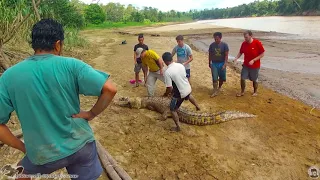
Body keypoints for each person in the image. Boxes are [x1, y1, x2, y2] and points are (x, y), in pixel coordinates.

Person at [0, 19, 117, 180]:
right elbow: (110, 89)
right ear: (57, 44)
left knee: (19, 176)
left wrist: (24, 148)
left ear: (34, 44)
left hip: (41, 155)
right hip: (81, 145)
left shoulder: (9, 77)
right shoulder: (72, 65)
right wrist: (91, 114)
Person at [162, 52, 200, 132]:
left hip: (179, 93)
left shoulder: (167, 72)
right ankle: (197, 106)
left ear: (165, 61)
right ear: (172, 58)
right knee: (188, 95)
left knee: (172, 109)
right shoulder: (180, 65)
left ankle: (178, 127)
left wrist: (166, 94)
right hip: (187, 87)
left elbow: (169, 87)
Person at [234, 30, 265, 97]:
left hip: (255, 66)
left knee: (254, 79)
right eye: (244, 37)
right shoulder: (244, 44)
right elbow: (241, 52)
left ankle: (255, 91)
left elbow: (262, 54)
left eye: (247, 37)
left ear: (251, 36)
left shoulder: (257, 43)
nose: (245, 39)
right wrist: (236, 58)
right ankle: (242, 92)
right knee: (242, 78)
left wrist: (254, 60)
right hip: (246, 65)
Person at [208, 32, 229, 97]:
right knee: (214, 77)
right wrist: (209, 62)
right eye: (215, 39)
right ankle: (215, 91)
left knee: (222, 78)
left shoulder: (224, 45)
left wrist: (225, 63)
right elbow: (210, 54)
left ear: (220, 38)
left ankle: (219, 87)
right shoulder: (212, 45)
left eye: (217, 39)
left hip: (222, 63)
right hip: (214, 63)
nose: (216, 40)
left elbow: (226, 55)